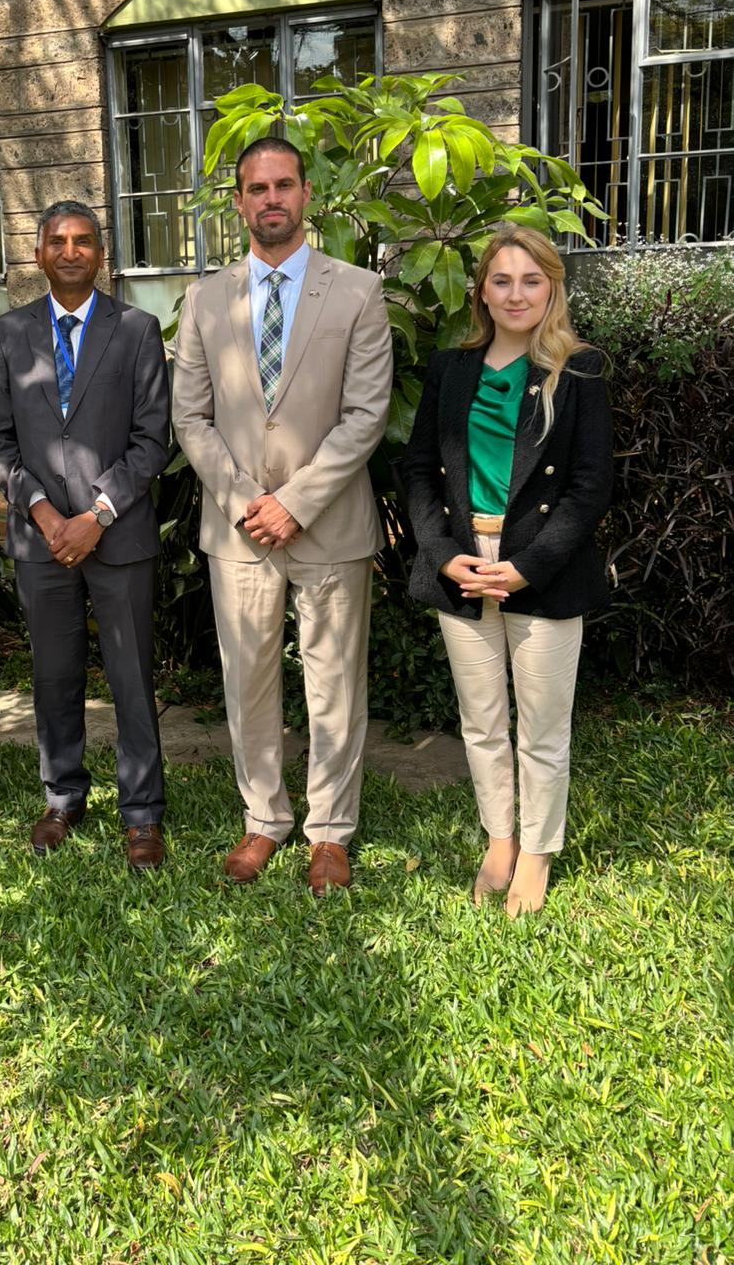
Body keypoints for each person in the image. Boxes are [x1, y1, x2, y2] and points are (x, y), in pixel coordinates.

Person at [172, 138, 393, 893]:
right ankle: (263, 819)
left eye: (283, 185)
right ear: (238, 202)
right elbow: (191, 418)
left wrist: (294, 503)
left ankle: (330, 831)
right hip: (238, 532)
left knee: (334, 683)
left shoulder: (359, 292)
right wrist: (246, 503)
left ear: (306, 195)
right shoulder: (204, 299)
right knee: (250, 682)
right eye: (255, 188)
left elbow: (366, 415)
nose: (270, 198)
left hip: (328, 524)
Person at [402, 224, 613, 916]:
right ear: (482, 292)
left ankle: (538, 851)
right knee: (482, 720)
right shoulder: (452, 368)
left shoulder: (579, 370)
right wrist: (439, 552)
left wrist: (527, 566)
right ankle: (500, 839)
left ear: (551, 286)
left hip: (540, 569)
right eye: (502, 280)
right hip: (464, 565)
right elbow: (418, 473)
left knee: (543, 727)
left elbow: (589, 487)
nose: (516, 293)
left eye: (531, 279)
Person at [0, 201, 171, 869]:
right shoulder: (7, 334)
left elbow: (155, 439)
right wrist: (43, 515)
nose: (70, 251)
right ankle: (62, 796)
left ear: (101, 253)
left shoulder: (137, 330)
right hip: (41, 540)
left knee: (129, 677)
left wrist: (98, 514)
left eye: (83, 241)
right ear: (38, 254)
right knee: (54, 673)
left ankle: (142, 812)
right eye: (57, 241)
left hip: (116, 538)